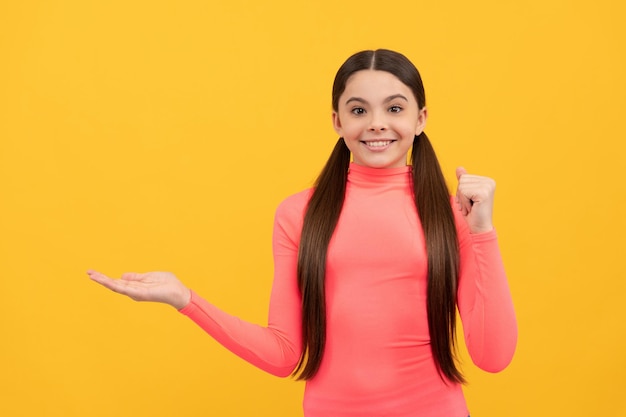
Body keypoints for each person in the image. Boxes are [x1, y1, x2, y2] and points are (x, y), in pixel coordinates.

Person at [88, 49, 517, 417]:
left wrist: (482, 233)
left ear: (421, 118)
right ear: (337, 121)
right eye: (358, 110)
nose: (376, 124)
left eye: (394, 108)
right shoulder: (300, 214)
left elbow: (493, 357)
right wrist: (186, 299)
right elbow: (283, 354)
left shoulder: (453, 213)